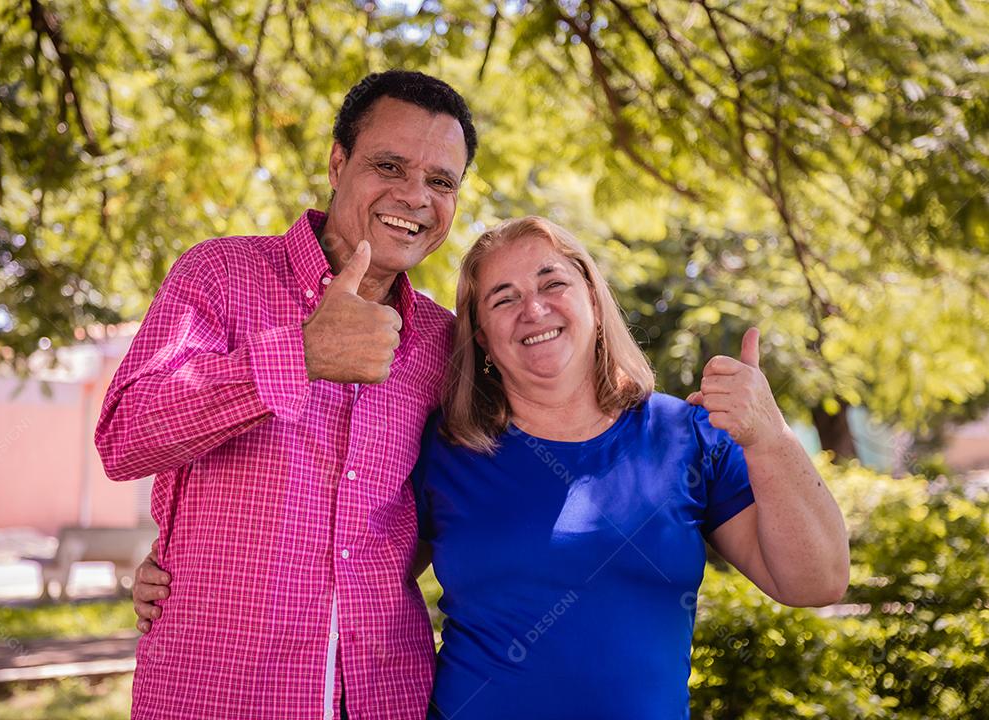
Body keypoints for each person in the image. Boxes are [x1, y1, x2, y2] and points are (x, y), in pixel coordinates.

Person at [135, 216, 851, 719]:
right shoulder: (447, 449)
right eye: (501, 298)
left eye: (552, 282)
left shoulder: (687, 434)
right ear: (478, 335)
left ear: (593, 298)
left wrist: (771, 440)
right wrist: (189, 567)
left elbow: (815, 581)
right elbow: (353, 564)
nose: (531, 307)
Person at [95, 70, 478, 720]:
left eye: (441, 181)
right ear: (337, 162)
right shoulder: (218, 273)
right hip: (218, 695)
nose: (416, 197)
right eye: (389, 164)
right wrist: (298, 355)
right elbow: (124, 437)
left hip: (386, 695)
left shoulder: (445, 341)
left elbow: (454, 507)